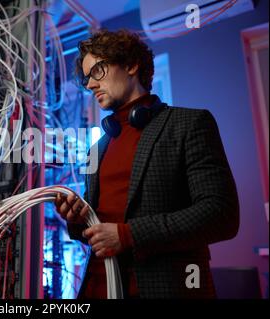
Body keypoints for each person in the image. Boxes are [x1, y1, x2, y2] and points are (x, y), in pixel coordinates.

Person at [55, 29, 239, 299]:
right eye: (86, 78)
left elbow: (221, 215)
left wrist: (128, 235)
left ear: (131, 64)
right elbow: (99, 232)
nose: (90, 85)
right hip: (97, 288)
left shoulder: (189, 124)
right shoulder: (97, 148)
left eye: (98, 71)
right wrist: (77, 220)